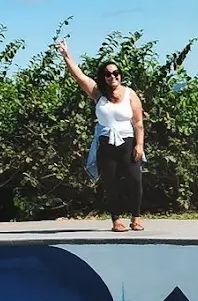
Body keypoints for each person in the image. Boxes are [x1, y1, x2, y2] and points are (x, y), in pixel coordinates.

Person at [58, 40, 145, 231]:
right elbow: (79, 76)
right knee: (110, 183)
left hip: (128, 142)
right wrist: (66, 55)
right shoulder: (98, 94)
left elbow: (138, 122)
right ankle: (116, 220)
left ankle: (136, 217)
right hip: (106, 143)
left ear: (120, 75)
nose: (112, 76)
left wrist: (139, 145)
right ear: (103, 77)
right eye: (108, 74)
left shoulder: (130, 94)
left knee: (134, 180)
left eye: (115, 73)